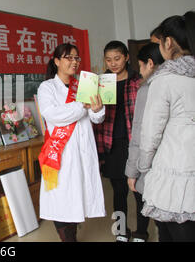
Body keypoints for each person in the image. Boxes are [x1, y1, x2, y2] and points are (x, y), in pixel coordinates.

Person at [37, 43, 105, 242]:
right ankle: (68, 239)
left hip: (83, 149)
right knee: (61, 197)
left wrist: (96, 108)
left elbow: (97, 119)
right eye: (68, 57)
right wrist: (81, 105)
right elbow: (52, 114)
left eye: (76, 58)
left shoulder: (85, 86)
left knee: (78, 194)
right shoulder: (47, 87)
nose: (74, 62)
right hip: (60, 151)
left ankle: (72, 234)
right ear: (56, 61)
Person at [138, 11, 195, 242]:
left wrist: (143, 167)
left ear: (168, 42)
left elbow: (151, 133)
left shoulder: (164, 80)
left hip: (174, 177)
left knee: (172, 234)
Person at [93, 40, 141, 242]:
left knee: (139, 192)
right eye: (108, 59)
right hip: (111, 143)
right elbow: (94, 116)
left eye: (117, 58)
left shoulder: (137, 81)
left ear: (127, 57)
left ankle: (142, 232)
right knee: (119, 192)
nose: (113, 63)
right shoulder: (100, 83)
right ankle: (121, 231)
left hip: (135, 144)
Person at [125, 42, 164, 242]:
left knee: (162, 220)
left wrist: (132, 172)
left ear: (149, 64)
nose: (139, 71)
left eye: (140, 66)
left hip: (154, 166)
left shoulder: (147, 89)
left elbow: (139, 133)